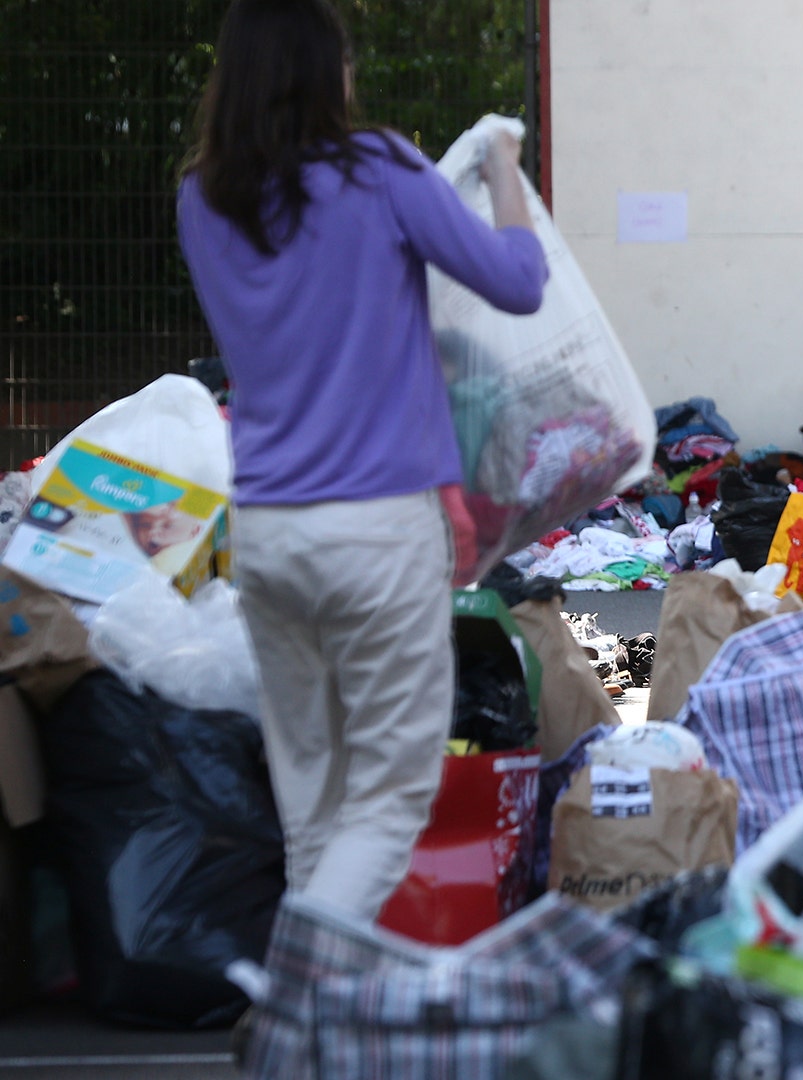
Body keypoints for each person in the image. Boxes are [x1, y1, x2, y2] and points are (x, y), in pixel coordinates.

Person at [176, 0, 548, 921]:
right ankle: (301, 990)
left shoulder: (202, 195)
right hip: (377, 530)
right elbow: (518, 281)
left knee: (313, 799)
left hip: (265, 531)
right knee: (388, 797)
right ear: (323, 70)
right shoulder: (378, 169)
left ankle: (311, 1044)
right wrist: (502, 165)